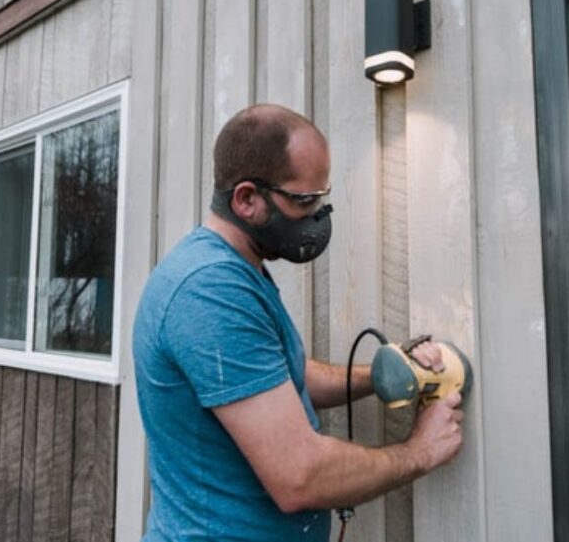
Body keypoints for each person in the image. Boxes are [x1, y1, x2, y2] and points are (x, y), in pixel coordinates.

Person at [133, 104, 465, 541]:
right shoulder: (210, 291)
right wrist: (420, 451)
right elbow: (299, 476)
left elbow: (275, 375)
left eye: (321, 198)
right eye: (304, 201)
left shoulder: (236, 270)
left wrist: (385, 374)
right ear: (246, 199)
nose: (317, 216)